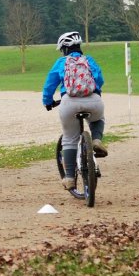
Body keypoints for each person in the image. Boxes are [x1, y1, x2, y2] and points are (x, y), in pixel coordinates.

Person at [42, 31, 107, 190]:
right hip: (94, 101)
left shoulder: (61, 62)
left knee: (69, 139)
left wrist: (48, 102)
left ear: (64, 48)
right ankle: (97, 140)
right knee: (98, 119)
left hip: (69, 103)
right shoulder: (89, 60)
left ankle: (70, 178)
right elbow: (100, 80)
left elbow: (49, 86)